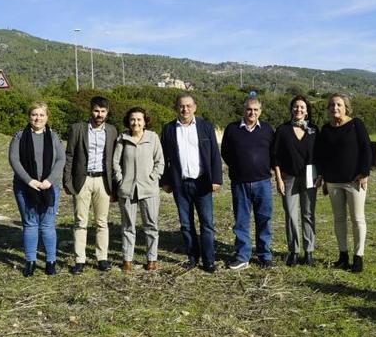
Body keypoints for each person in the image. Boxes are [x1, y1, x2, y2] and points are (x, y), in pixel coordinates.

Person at [159, 93, 223, 273]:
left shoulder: (205, 126)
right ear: (176, 108)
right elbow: (163, 157)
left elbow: (214, 155)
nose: (185, 109)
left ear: (195, 107)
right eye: (181, 106)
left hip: (202, 183)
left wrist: (217, 179)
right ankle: (192, 257)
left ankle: (209, 260)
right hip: (180, 184)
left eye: (188, 106)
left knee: (207, 223)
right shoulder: (169, 129)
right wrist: (165, 181)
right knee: (186, 224)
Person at [314, 93, 372, 273]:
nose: (335, 108)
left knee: (357, 218)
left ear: (346, 107)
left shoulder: (356, 124)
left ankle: (358, 257)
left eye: (339, 105)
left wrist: (364, 173)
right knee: (339, 219)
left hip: (354, 181)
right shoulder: (325, 129)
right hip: (333, 182)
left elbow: (366, 149)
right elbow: (321, 155)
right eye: (331, 105)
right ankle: (343, 255)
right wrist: (322, 176)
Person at [8, 101, 66, 277]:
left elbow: (61, 160)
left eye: (41, 115)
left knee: (47, 225)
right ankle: (30, 261)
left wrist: (50, 180)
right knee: (30, 224)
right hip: (25, 188)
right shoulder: (19, 136)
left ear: (47, 117)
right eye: (34, 114)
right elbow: (14, 160)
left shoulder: (54, 137)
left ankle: (50, 262)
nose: (37, 118)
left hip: (50, 187)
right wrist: (29, 180)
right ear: (29, 116)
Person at [63, 96, 118, 274]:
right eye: (96, 110)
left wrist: (115, 186)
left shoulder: (112, 131)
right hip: (82, 180)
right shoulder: (77, 129)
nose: (99, 114)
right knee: (80, 221)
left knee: (102, 222)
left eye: (102, 111)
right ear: (90, 110)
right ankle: (80, 259)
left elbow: (115, 160)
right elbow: (69, 155)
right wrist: (67, 181)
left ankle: (102, 258)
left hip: (103, 181)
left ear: (107, 113)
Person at [221, 96, 274, 270]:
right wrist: (238, 167)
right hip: (240, 183)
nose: (252, 113)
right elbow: (225, 153)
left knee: (264, 220)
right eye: (249, 109)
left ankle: (264, 255)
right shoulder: (232, 129)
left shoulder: (267, 129)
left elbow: (273, 153)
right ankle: (243, 256)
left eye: (255, 110)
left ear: (260, 111)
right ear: (244, 110)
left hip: (263, 182)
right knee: (241, 221)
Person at [113, 107, 165, 271]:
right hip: (127, 190)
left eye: (139, 119)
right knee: (128, 226)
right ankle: (127, 259)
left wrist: (152, 178)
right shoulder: (123, 138)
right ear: (128, 121)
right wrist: (120, 180)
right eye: (132, 119)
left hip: (149, 190)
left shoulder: (153, 137)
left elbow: (160, 161)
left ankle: (152, 258)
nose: (135, 122)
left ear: (145, 121)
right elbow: (115, 162)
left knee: (151, 225)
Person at [271, 95, 319, 267]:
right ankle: (294, 251)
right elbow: (275, 157)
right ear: (291, 109)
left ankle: (309, 252)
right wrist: (278, 179)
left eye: (302, 107)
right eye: (295, 107)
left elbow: (319, 156)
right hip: (288, 178)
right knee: (291, 215)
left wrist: (319, 176)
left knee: (308, 214)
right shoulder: (282, 130)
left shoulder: (314, 130)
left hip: (309, 178)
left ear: (307, 111)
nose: (298, 109)